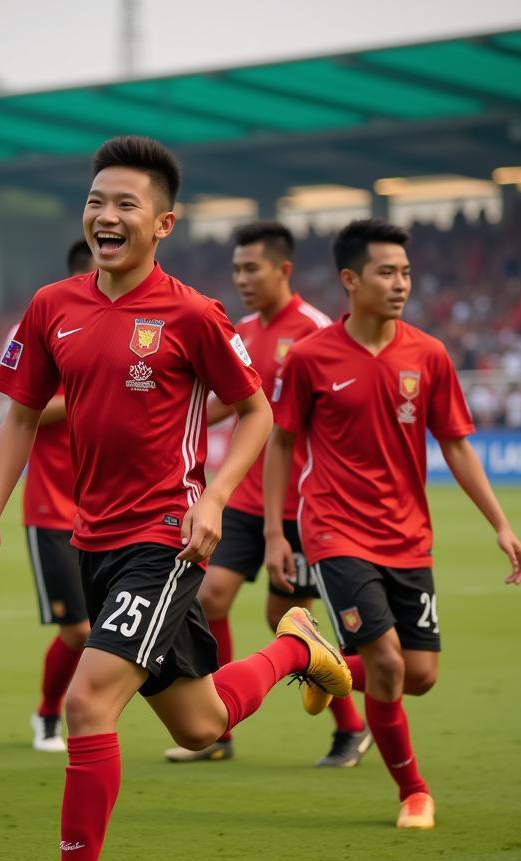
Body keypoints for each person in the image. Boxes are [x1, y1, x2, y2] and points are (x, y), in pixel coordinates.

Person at [0, 136, 351, 861]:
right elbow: (22, 416)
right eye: (96, 202)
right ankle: (296, 648)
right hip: (92, 542)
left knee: (86, 700)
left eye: (125, 205)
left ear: (163, 222)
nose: (106, 217)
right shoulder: (51, 307)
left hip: (165, 540)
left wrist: (213, 496)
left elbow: (256, 413)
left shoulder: (193, 314)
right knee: (199, 725)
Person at [265, 218, 521, 830]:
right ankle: (414, 792)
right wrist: (279, 535)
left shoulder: (428, 354)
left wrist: (501, 524)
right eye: (387, 272)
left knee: (421, 676)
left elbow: (457, 445)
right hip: (334, 528)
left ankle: (318, 660)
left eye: (406, 272)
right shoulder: (310, 358)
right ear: (350, 281)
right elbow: (281, 444)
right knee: (385, 663)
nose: (400, 283)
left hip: (408, 535)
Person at [163, 221, 371, 769]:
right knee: (211, 598)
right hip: (240, 499)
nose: (241, 279)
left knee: (287, 617)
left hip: (298, 504)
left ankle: (351, 727)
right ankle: (219, 729)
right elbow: (232, 402)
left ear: (283, 269)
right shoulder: (241, 330)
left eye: (250, 268)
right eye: (235, 269)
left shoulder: (318, 331)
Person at [23, 239, 94, 752]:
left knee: (102, 629)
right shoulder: (49, 317)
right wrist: (83, 394)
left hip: (107, 509)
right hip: (52, 507)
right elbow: (12, 406)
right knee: (78, 630)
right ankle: (48, 715)